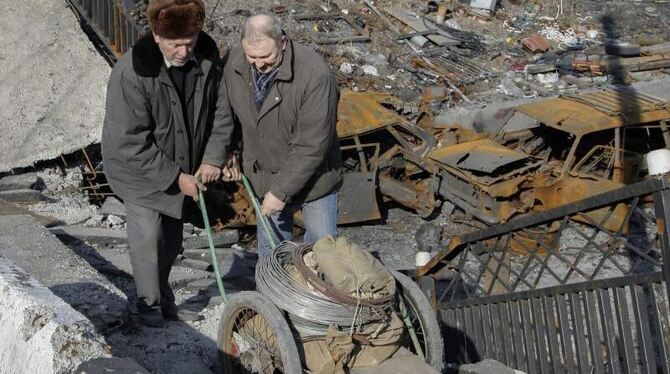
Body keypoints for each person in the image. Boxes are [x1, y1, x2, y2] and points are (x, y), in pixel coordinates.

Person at [101, 0, 232, 327]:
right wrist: (177, 177)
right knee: (148, 239)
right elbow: (131, 142)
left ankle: (164, 299)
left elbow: (221, 114)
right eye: (175, 45)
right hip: (137, 170)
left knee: (172, 241)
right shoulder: (132, 73)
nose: (184, 51)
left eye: (190, 42)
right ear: (157, 37)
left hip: (182, 166)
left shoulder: (206, 56)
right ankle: (149, 308)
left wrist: (214, 158)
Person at [221, 14, 342, 255]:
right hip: (265, 175)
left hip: (315, 179)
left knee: (323, 252)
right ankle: (274, 291)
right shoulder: (234, 62)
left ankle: (319, 292)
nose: (259, 64)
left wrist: (280, 192)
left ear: (283, 43)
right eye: (252, 56)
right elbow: (227, 114)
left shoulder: (316, 76)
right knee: (272, 254)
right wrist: (229, 150)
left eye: (266, 56)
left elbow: (311, 145)